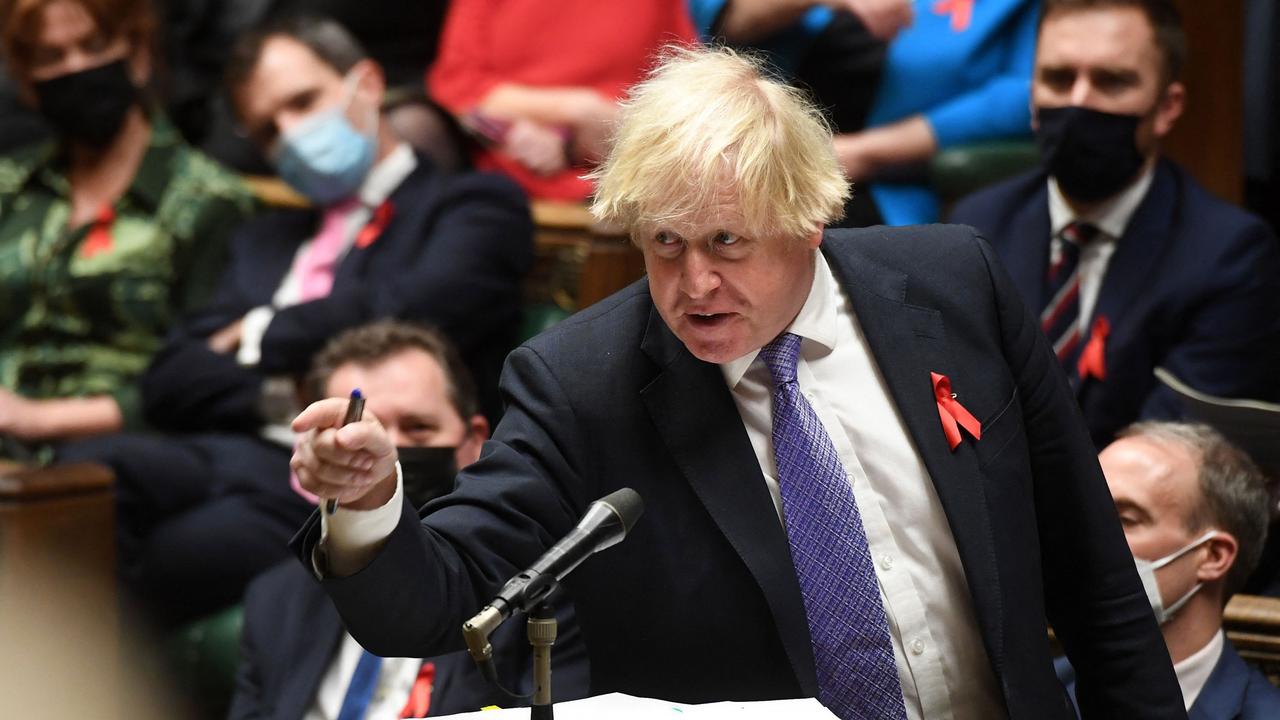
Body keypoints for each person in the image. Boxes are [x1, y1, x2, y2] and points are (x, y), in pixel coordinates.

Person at [290, 45, 1183, 719]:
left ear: (812, 217)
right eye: (665, 245)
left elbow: (1091, 571)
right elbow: (441, 599)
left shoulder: (955, 286)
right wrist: (369, 502)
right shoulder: (580, 383)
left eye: (727, 242)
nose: (693, 286)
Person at [56, 14, 532, 627]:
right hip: (233, 450)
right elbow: (171, 378)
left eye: (303, 102)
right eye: (268, 130)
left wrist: (259, 331)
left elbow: (417, 310)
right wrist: (284, 389)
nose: (292, 135)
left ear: (366, 83)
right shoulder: (266, 238)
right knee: (85, 475)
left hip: (353, 470)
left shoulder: (470, 207)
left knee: (175, 555)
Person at [949, 0, 1280, 449]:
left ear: (1166, 107)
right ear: (1032, 97)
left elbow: (1176, 452)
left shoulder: (1229, 255)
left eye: (1112, 82)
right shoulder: (977, 226)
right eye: (1059, 79)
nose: (1079, 102)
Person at [232, 321, 589, 719]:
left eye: (417, 428)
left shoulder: (543, 597)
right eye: (360, 436)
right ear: (314, 455)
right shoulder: (275, 601)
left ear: (473, 442)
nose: (386, 453)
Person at [0, 0, 253, 462]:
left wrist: (34, 418)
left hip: (117, 457)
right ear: (28, 82)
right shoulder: (10, 185)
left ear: (136, 55)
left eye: (93, 47)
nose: (75, 68)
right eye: (50, 57)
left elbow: (206, 378)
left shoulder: (209, 201)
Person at [1056, 421, 1280, 717]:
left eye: (1124, 519)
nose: (1083, 537)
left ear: (1213, 556)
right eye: (1083, 513)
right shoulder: (1028, 686)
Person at [425, 0, 697, 202]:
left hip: (626, 170)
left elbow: (687, 86)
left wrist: (604, 130)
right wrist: (574, 113)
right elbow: (458, 83)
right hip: (497, 159)